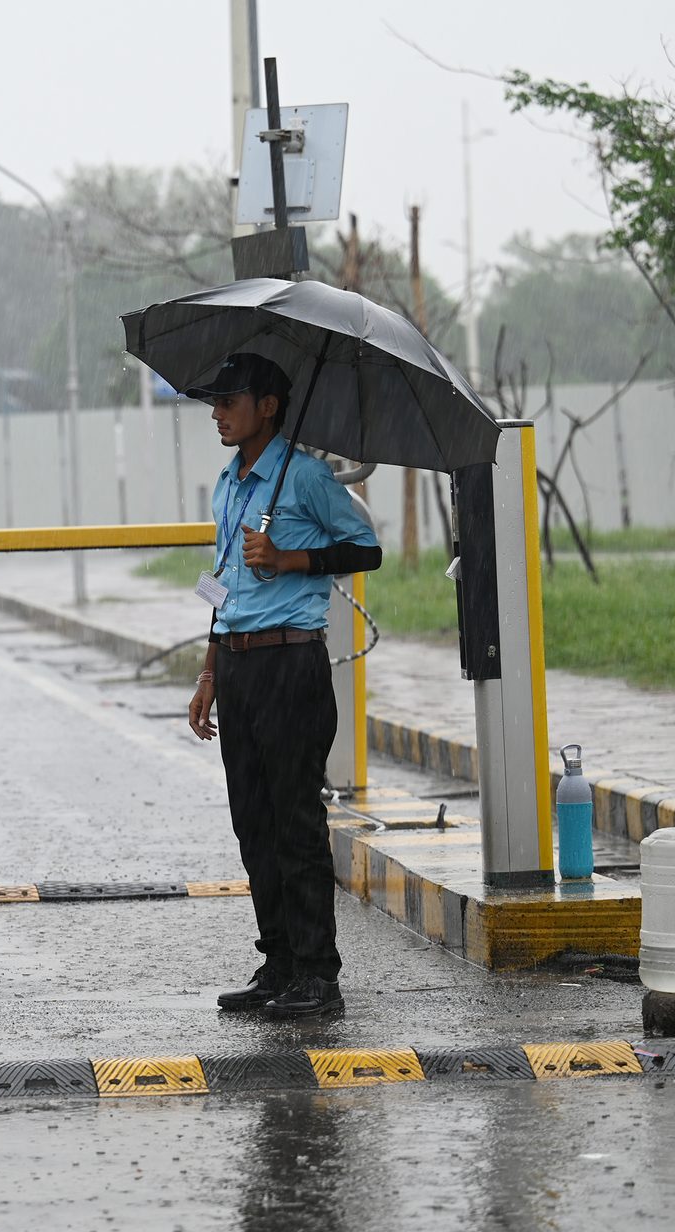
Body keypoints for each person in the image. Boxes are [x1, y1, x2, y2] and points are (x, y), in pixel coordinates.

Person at [183, 353, 381, 1020]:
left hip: (290, 664)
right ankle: (279, 964)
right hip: (237, 665)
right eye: (215, 401)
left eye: (230, 399)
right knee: (253, 823)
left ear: (268, 405)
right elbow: (218, 580)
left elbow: (366, 549)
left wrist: (292, 558)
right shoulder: (228, 483)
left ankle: (318, 975)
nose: (218, 411)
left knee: (296, 821)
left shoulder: (305, 478)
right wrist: (209, 671)